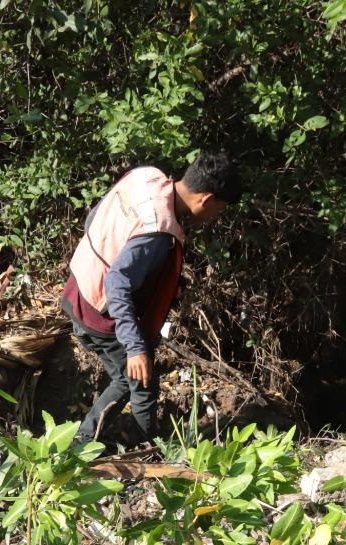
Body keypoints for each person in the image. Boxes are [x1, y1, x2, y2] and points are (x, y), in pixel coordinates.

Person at [61, 151, 243, 447]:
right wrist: (135, 348)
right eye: (218, 210)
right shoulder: (158, 230)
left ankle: (107, 440)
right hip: (98, 310)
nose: (214, 217)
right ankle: (130, 447)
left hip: (78, 287)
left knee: (128, 375)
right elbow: (117, 282)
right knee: (139, 380)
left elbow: (95, 215)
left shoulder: (145, 177)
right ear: (206, 199)